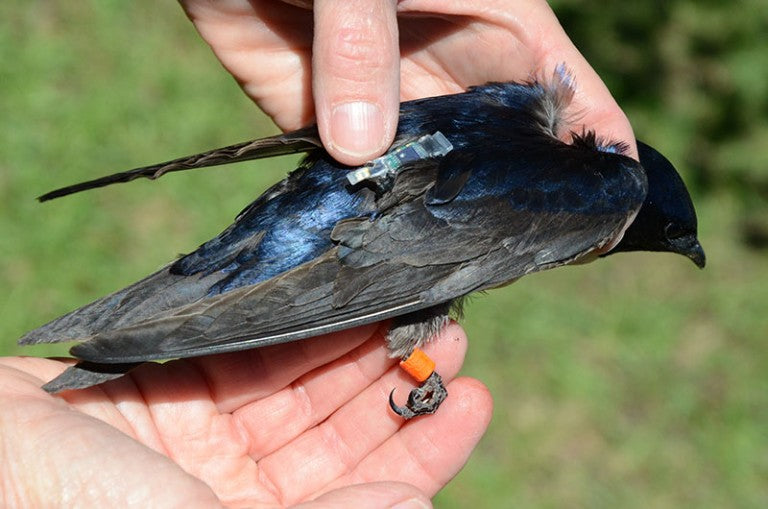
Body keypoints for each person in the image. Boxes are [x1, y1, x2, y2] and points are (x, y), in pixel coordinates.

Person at [1, 1, 636, 506]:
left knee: (220, 287)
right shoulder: (601, 192)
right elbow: (412, 288)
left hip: (335, 187)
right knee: (408, 333)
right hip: (356, 244)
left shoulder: (518, 100)